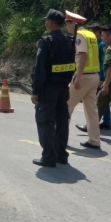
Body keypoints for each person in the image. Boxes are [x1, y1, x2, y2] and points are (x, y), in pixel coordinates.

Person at [31, 10, 76, 167]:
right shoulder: (69, 40)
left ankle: (49, 157)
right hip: (63, 88)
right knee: (62, 120)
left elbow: (40, 69)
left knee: (46, 121)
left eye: (46, 21)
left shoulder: (46, 41)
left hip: (48, 89)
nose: (45, 23)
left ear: (50, 23)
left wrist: (36, 90)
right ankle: (61, 155)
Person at [64, 11, 102, 149]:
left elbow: (83, 55)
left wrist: (78, 76)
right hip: (94, 76)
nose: (66, 26)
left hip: (83, 76)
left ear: (74, 23)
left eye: (67, 23)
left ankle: (60, 138)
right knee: (91, 110)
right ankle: (94, 141)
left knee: (66, 106)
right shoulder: (91, 34)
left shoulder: (79, 35)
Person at [75, 23, 111, 132]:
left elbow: (103, 63)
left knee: (94, 102)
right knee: (101, 99)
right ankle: (106, 122)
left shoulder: (100, 45)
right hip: (100, 75)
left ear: (98, 32)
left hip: (98, 76)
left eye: (92, 32)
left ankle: (92, 125)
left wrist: (102, 78)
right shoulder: (100, 44)